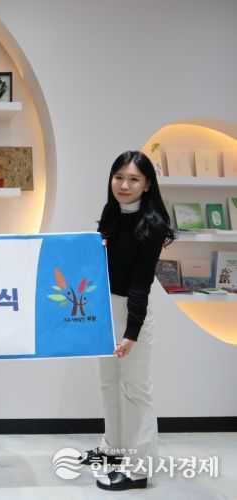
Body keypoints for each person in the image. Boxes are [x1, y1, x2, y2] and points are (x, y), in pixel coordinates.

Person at [78, 150, 174, 491]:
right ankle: (113, 449)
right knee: (109, 382)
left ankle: (139, 469)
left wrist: (132, 332)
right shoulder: (111, 213)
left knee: (135, 390)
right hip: (104, 308)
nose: (124, 185)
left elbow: (140, 284)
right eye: (119, 177)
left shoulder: (153, 225)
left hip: (132, 312)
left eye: (134, 179)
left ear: (147, 185)